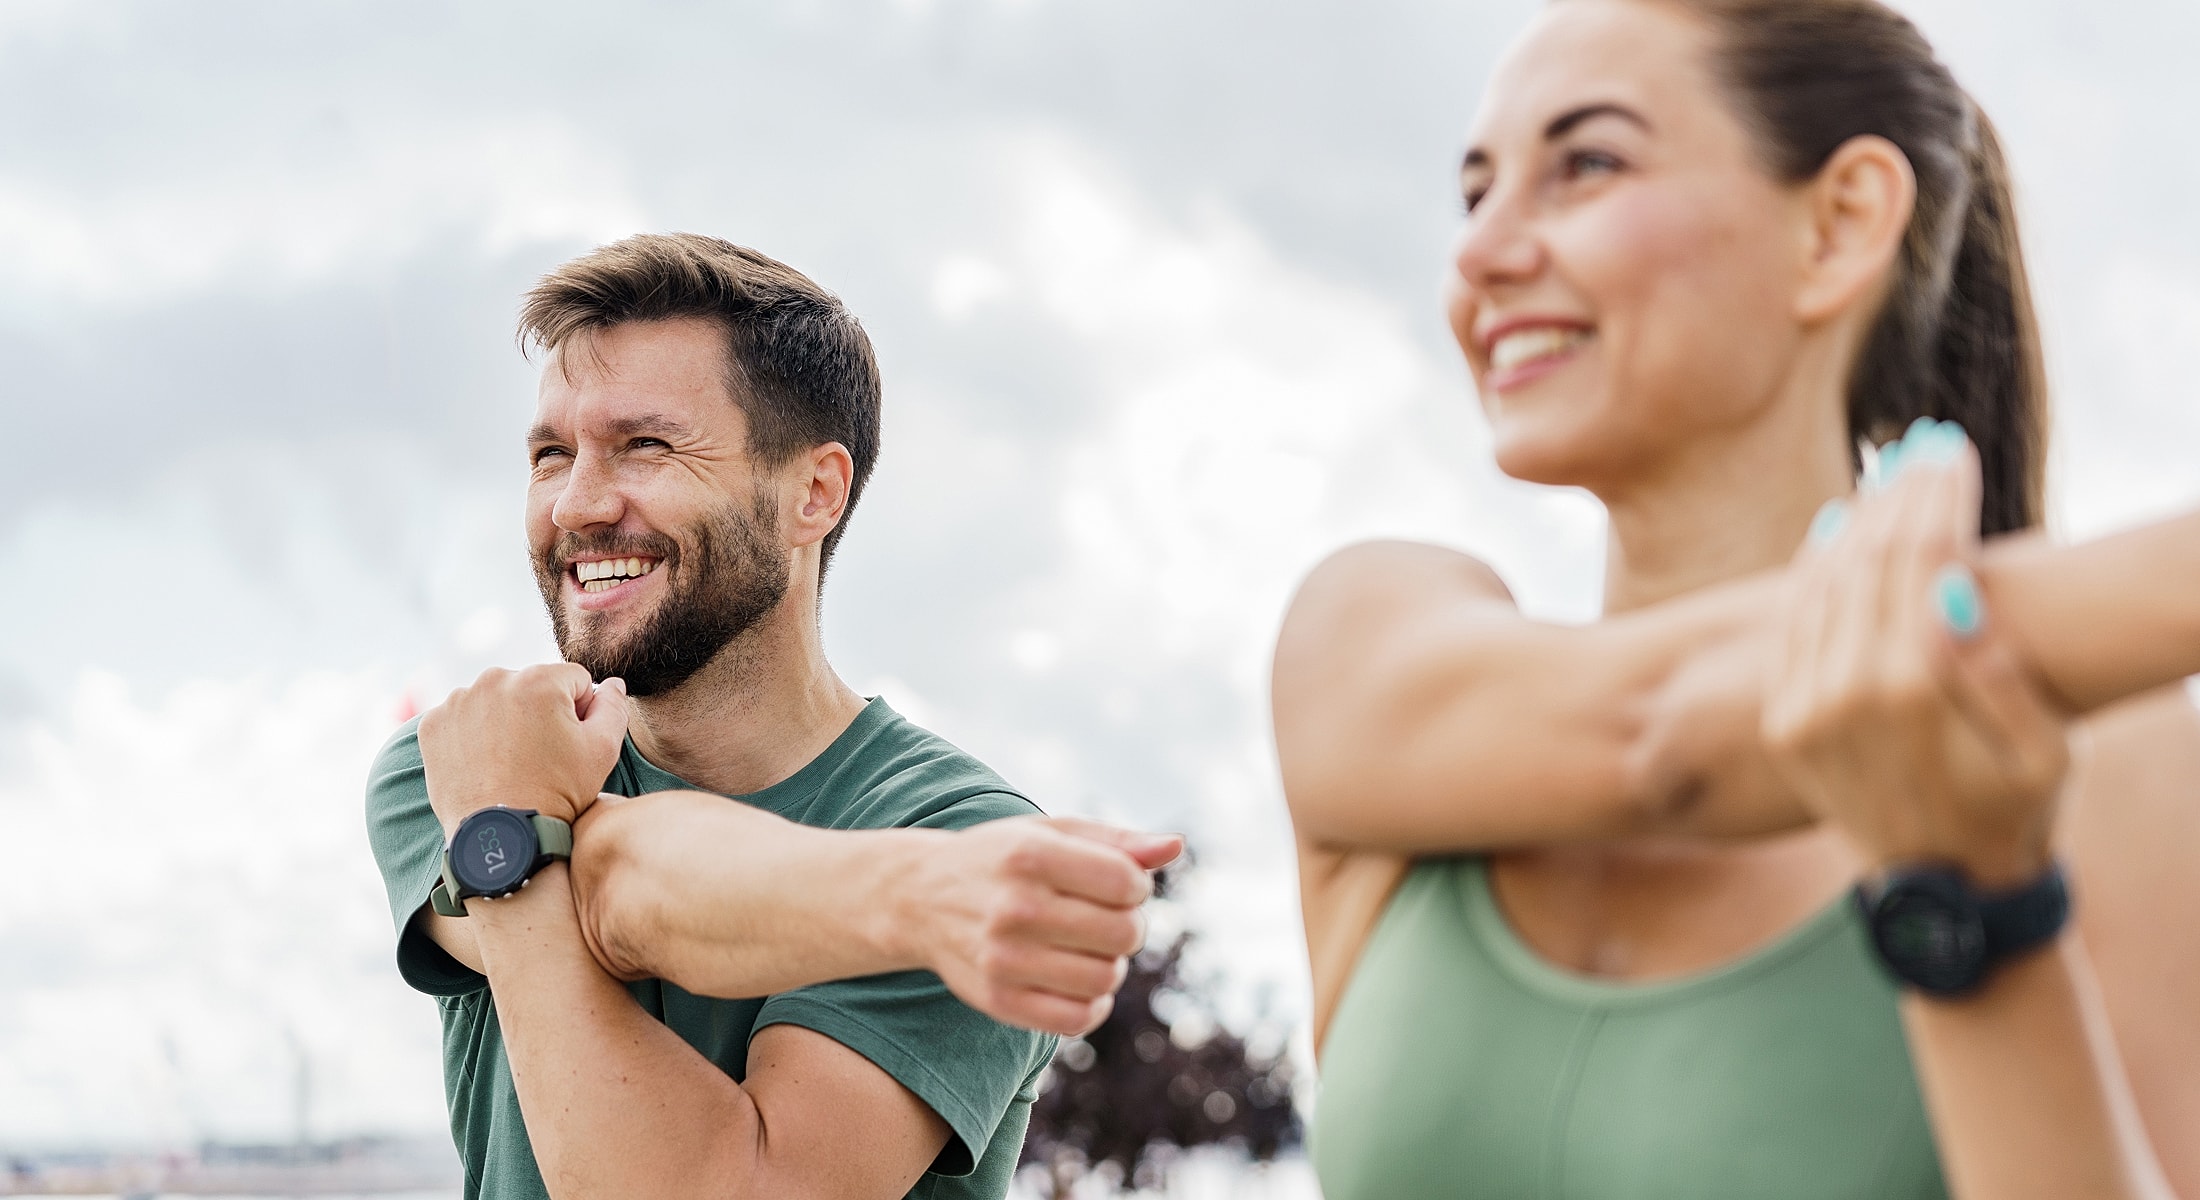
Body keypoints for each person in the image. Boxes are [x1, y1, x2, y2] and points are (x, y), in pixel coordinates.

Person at [1272, 1, 2200, 1196]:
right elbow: (1655, 730)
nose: (1479, 254)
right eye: (1474, 192)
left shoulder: (2114, 759)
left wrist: (1978, 915)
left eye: (1586, 164)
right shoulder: (1369, 635)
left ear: (1839, 225)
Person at [365, 233, 1181, 1200]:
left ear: (814, 491)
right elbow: (619, 892)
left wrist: (507, 845)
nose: (577, 503)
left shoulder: (958, 833)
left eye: (645, 445)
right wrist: (900, 899)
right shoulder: (453, 759)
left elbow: (740, 1186)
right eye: (551, 454)